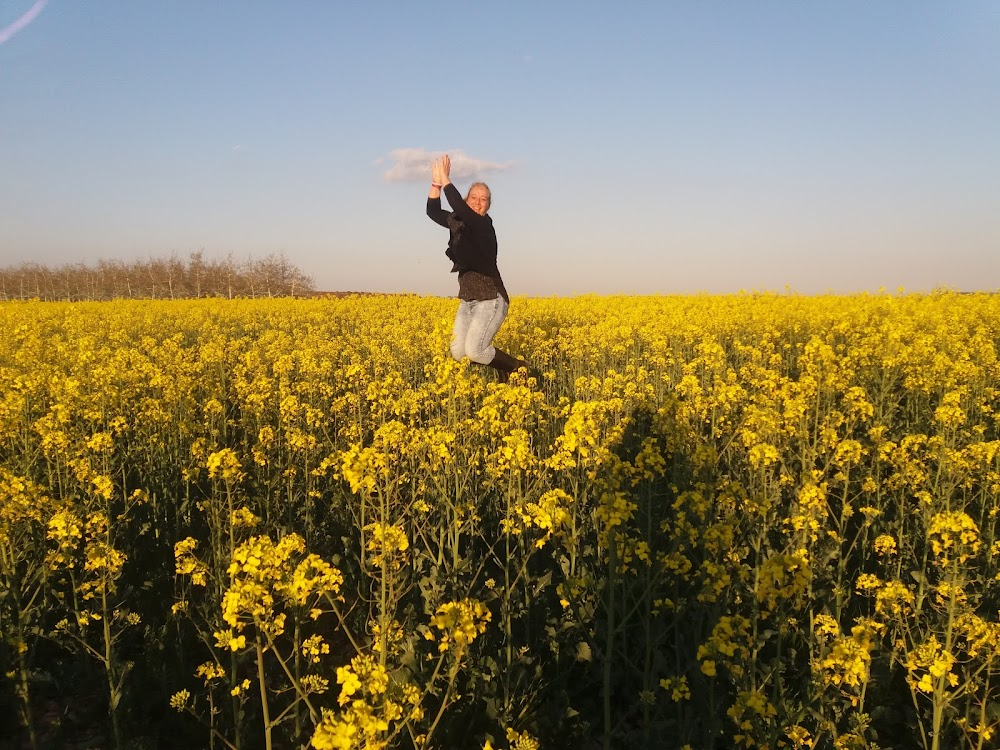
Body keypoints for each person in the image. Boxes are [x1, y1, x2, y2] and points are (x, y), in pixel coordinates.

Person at [426, 154, 529, 383]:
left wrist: (445, 178)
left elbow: (457, 206)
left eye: (483, 199)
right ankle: (503, 369)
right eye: (473, 197)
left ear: (488, 206)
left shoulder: (483, 225)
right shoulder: (458, 222)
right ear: (466, 199)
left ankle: (517, 368)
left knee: (475, 351)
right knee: (459, 353)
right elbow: (433, 211)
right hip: (468, 299)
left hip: (491, 298)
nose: (478, 201)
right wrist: (435, 182)